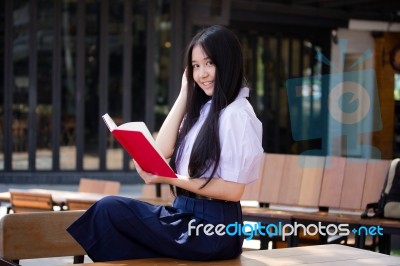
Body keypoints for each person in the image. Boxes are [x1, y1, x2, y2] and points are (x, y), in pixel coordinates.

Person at [67, 25, 264, 262]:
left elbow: (233, 191)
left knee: (109, 210)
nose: (202, 74)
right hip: (185, 214)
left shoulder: (236, 114)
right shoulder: (204, 111)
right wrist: (184, 93)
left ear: (228, 62)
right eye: (195, 66)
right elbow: (162, 151)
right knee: (115, 224)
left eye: (209, 63)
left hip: (213, 229)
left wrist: (168, 178)